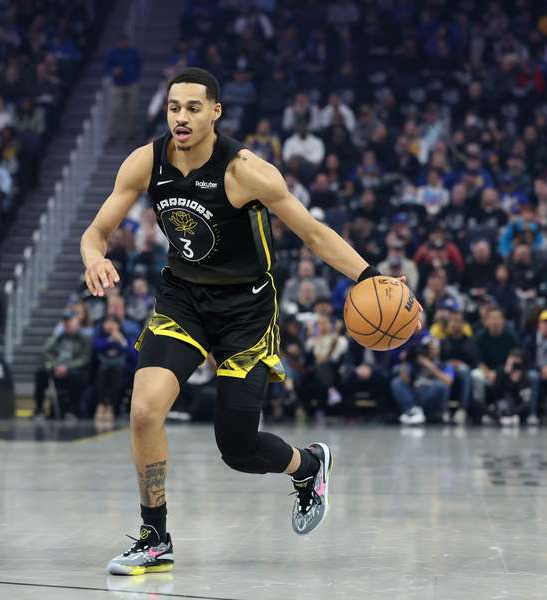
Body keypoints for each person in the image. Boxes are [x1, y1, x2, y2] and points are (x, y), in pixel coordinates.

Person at [81, 67, 419, 575]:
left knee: (237, 448)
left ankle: (307, 466)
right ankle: (155, 535)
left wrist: (369, 276)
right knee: (146, 410)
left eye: (193, 108)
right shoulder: (145, 162)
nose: (181, 117)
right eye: (174, 107)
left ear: (215, 112)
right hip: (183, 301)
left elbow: (313, 233)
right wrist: (93, 257)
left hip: (246, 310)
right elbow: (97, 230)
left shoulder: (246, 171)